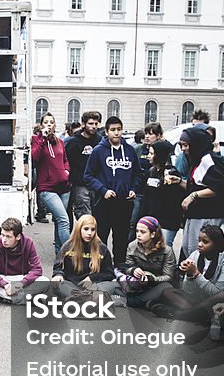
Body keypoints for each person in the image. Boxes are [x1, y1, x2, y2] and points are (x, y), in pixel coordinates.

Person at [84, 115, 140, 266]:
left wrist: (134, 189)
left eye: (119, 130)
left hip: (124, 202)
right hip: (104, 202)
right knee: (100, 238)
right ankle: (99, 267)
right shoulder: (98, 151)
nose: (116, 133)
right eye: (113, 130)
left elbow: (138, 174)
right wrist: (103, 190)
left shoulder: (130, 150)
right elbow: (88, 176)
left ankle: (119, 269)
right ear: (107, 132)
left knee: (121, 238)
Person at [156, 224, 224, 322]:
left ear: (216, 244)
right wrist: (189, 275)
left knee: (223, 295)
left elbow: (216, 293)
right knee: (168, 291)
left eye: (205, 242)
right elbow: (189, 291)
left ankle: (181, 314)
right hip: (202, 299)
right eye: (199, 240)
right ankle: (199, 314)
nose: (200, 244)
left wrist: (196, 274)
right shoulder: (196, 255)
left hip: (223, 302)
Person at [177, 127, 224, 260]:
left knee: (199, 251)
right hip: (195, 214)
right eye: (181, 145)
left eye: (185, 145)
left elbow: (219, 187)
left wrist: (193, 196)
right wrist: (178, 181)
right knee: (188, 249)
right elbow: (196, 185)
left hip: (207, 214)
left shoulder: (209, 160)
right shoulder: (197, 160)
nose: (183, 149)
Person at [31, 112, 72, 256]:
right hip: (47, 188)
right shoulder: (36, 139)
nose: (49, 124)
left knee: (59, 222)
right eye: (46, 122)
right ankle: (69, 256)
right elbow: (35, 157)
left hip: (64, 187)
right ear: (41, 125)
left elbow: (65, 159)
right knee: (64, 219)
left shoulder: (60, 141)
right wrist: (42, 138)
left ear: (55, 125)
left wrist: (67, 171)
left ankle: (59, 255)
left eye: (51, 122)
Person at [0, 217, 44, 304]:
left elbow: (37, 269)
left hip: (21, 279)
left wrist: (20, 284)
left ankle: (2, 298)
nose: (4, 240)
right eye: (2, 235)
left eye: (8, 236)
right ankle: (26, 299)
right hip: (3, 279)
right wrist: (4, 284)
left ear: (18, 237)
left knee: (44, 281)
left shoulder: (28, 243)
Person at [119, 216, 177, 309]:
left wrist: (152, 278)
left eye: (143, 232)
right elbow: (127, 266)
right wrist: (133, 270)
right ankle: (146, 301)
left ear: (153, 234)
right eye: (137, 231)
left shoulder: (167, 251)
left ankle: (136, 301)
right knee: (118, 281)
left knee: (167, 287)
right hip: (138, 284)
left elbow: (169, 276)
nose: (138, 235)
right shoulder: (132, 246)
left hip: (157, 283)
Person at [51, 214, 115, 296]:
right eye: (86, 229)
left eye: (93, 230)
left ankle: (81, 299)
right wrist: (59, 275)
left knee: (112, 286)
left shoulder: (102, 248)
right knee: (58, 285)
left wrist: (93, 278)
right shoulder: (68, 246)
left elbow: (109, 273)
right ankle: (84, 299)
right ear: (79, 229)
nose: (89, 233)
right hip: (72, 285)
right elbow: (58, 267)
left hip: (94, 286)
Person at [137, 140, 185, 248]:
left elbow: (173, 200)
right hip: (151, 219)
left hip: (167, 222)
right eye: (149, 153)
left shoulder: (171, 173)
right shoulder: (151, 171)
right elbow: (146, 197)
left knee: (164, 249)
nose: (149, 156)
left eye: (152, 153)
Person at [64, 112, 102, 220]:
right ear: (83, 124)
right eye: (90, 123)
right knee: (84, 218)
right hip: (80, 185)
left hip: (97, 185)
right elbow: (67, 162)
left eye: (96, 123)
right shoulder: (74, 143)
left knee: (98, 217)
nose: (94, 126)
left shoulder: (100, 141)